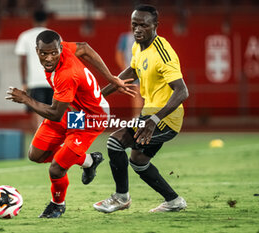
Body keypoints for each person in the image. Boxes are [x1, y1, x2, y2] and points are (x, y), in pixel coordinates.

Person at [6, 30, 135, 218]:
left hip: (91, 119)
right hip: (74, 111)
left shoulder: (66, 75)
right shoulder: (63, 47)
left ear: (60, 48)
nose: (49, 58)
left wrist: (26, 99)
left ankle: (57, 204)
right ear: (37, 50)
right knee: (36, 155)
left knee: (56, 168)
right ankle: (89, 161)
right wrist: (110, 78)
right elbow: (84, 48)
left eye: (53, 53)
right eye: (44, 53)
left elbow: (55, 113)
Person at [93, 4, 189, 213]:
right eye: (134, 25)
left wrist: (154, 121)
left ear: (155, 25)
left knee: (115, 142)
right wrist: (97, 96)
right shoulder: (139, 46)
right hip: (149, 115)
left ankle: (121, 198)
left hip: (165, 119)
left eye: (143, 25)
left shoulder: (163, 53)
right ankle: (173, 201)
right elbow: (130, 72)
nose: (137, 29)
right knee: (138, 161)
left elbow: (182, 91)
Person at [15, 10, 53, 131]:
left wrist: (24, 81)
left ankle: (39, 138)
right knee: (53, 112)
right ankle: (52, 141)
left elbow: (22, 61)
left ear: (33, 21)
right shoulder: (54, 35)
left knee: (37, 111)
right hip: (52, 80)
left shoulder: (25, 36)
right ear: (46, 20)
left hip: (34, 81)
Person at [115, 31, 144, 117]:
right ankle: (137, 117)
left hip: (146, 69)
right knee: (137, 92)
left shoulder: (148, 37)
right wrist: (126, 71)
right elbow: (119, 55)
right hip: (132, 69)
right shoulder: (125, 38)